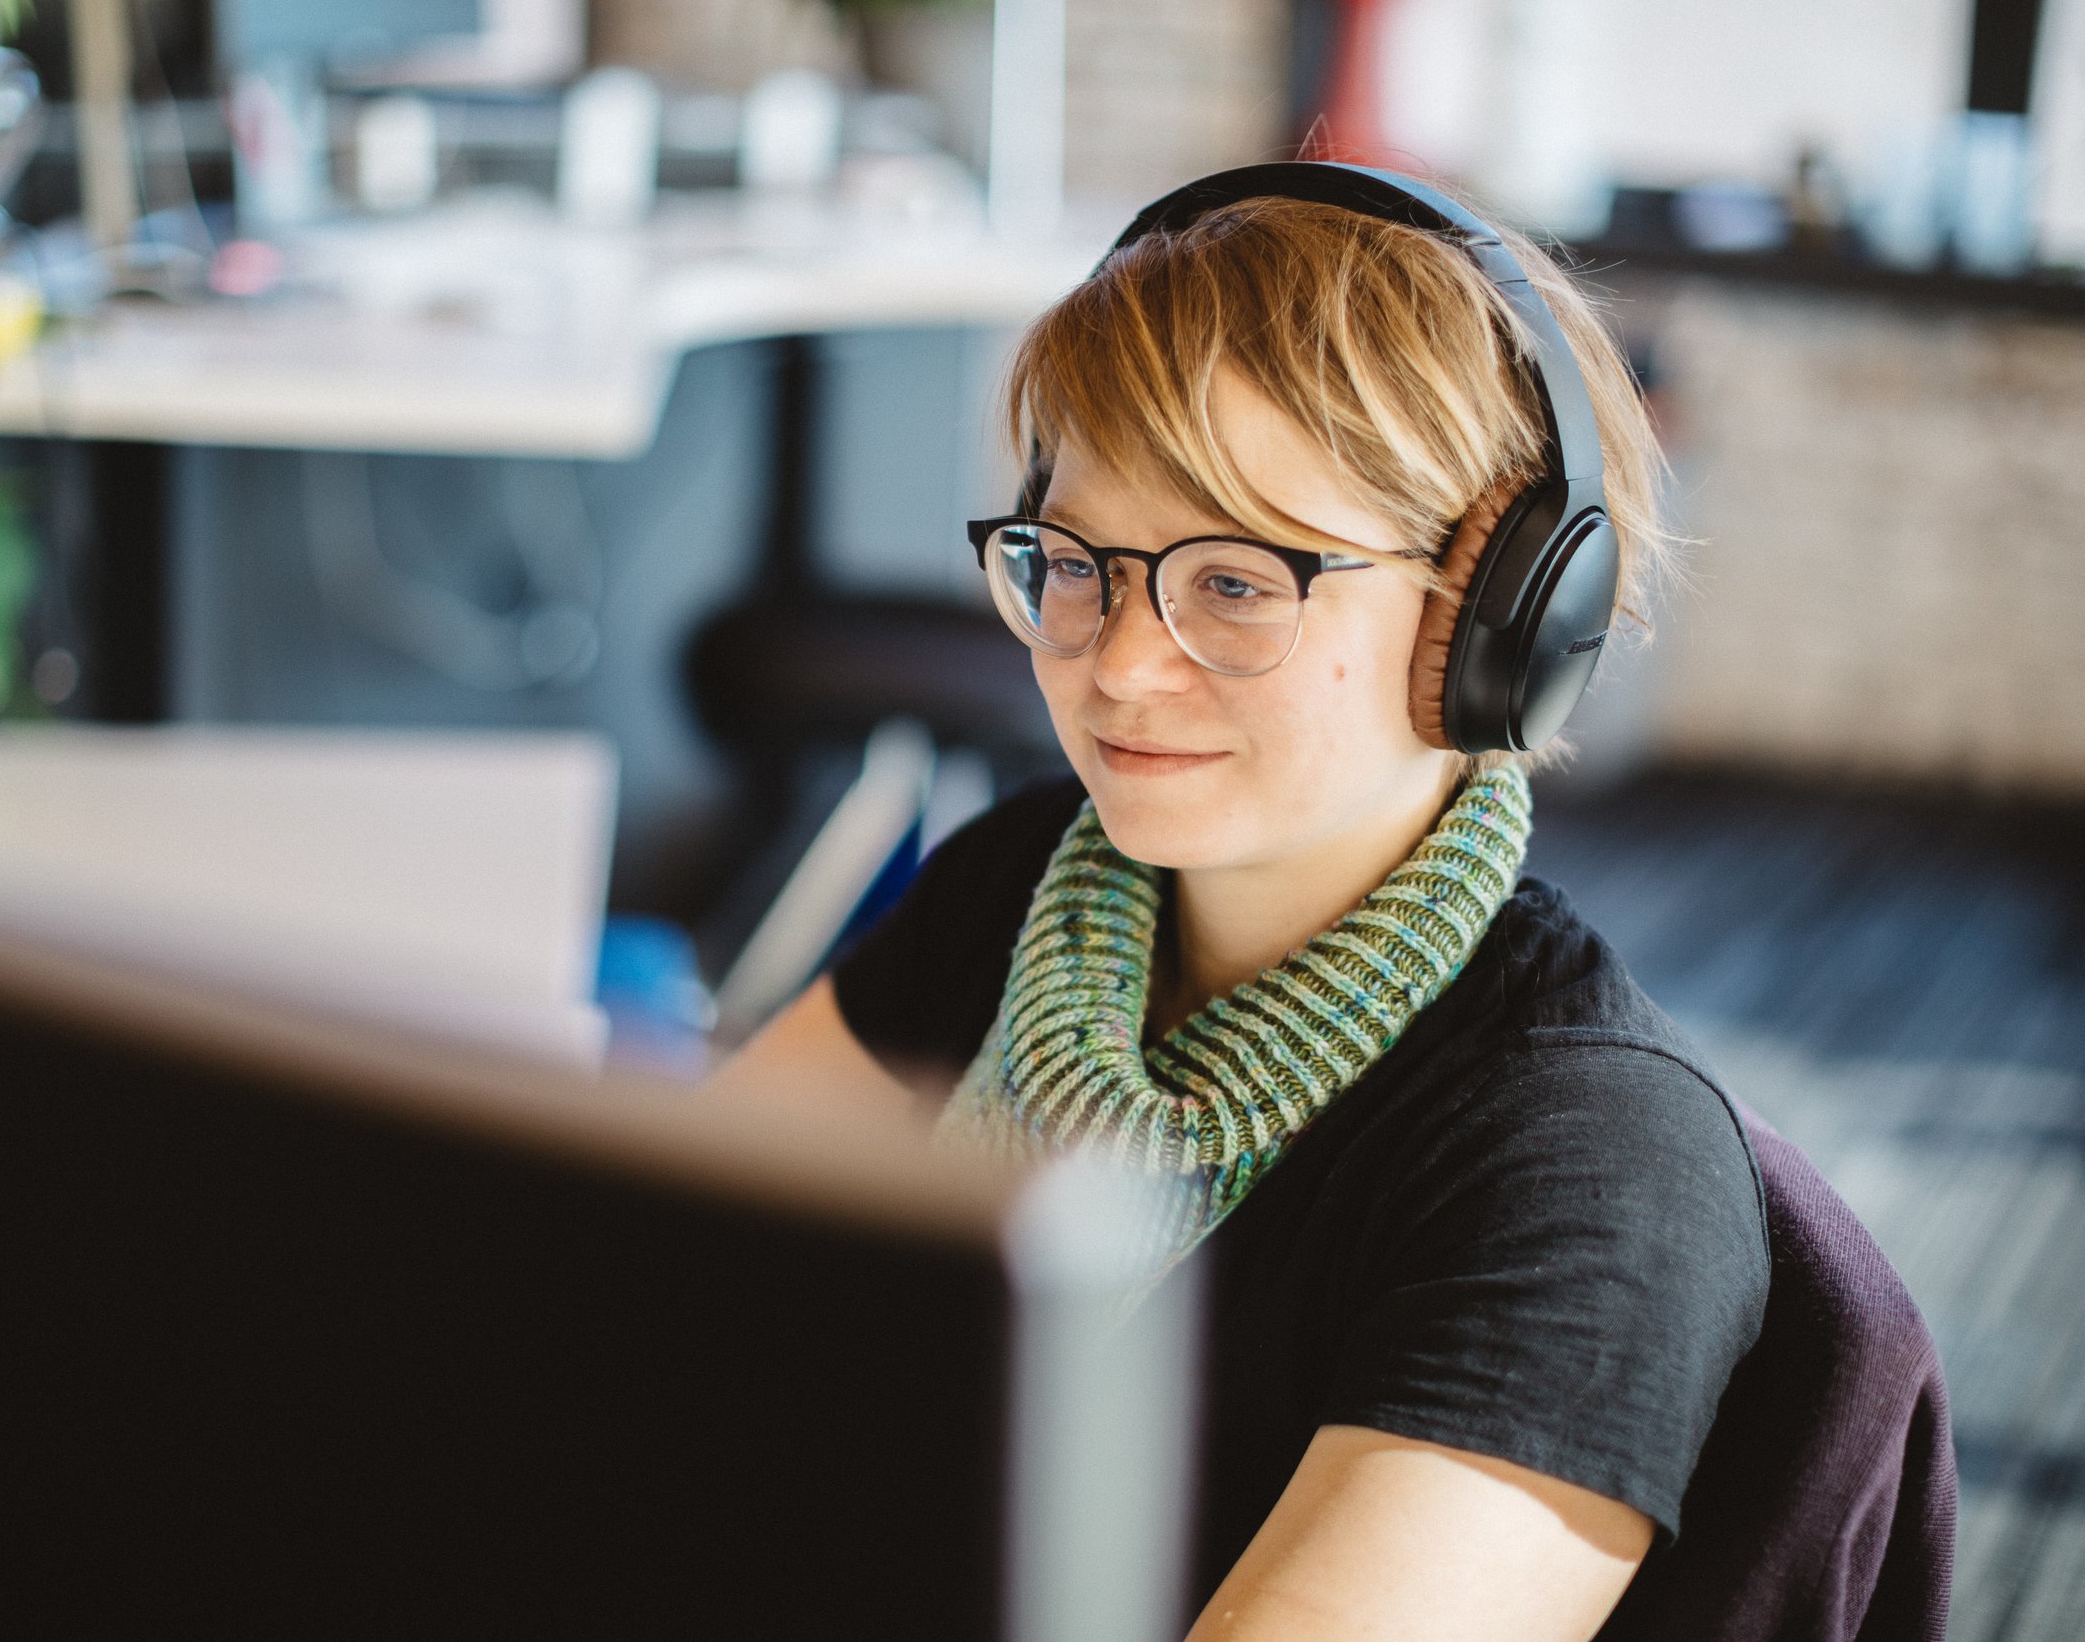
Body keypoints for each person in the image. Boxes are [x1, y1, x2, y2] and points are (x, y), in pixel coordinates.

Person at [711, 170, 1769, 1642]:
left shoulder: (1590, 1176)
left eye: (1237, 583)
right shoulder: (1026, 881)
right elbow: (664, 1278)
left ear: (1499, 619)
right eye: (1077, 564)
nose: (1121, 666)